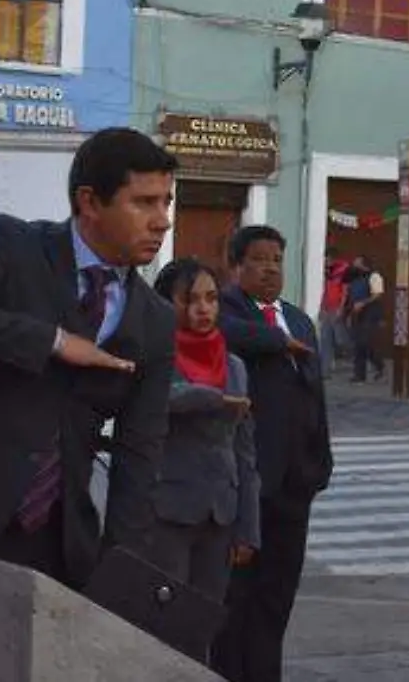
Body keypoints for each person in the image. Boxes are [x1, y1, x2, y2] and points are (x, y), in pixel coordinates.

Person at [0, 127, 178, 682]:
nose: (162, 220)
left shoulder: (153, 319)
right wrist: (51, 341)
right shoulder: (11, 244)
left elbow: (139, 451)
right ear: (89, 203)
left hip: (60, 536)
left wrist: (123, 571)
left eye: (166, 202)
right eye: (144, 202)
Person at [216, 224, 333, 682]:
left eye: (277, 260)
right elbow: (227, 334)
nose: (270, 268)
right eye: (259, 259)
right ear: (237, 265)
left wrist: (321, 461)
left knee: (278, 593)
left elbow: (316, 396)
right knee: (236, 595)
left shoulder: (297, 317)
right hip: (249, 480)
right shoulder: (224, 308)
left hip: (296, 480)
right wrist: (276, 341)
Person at [146, 258, 259, 619]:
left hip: (221, 515)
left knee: (204, 619)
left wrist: (248, 528)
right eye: (190, 299)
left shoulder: (235, 366)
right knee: (166, 620)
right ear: (166, 304)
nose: (203, 308)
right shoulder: (155, 356)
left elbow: (245, 453)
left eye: (211, 298)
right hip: (169, 511)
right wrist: (215, 399)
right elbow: (163, 397)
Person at [346, 254, 386, 382]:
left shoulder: (374, 276)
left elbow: (378, 295)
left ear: (364, 265)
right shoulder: (354, 278)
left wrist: (363, 303)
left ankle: (379, 365)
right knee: (357, 345)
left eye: (357, 263)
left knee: (366, 342)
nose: (354, 265)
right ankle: (359, 374)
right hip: (356, 314)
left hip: (370, 314)